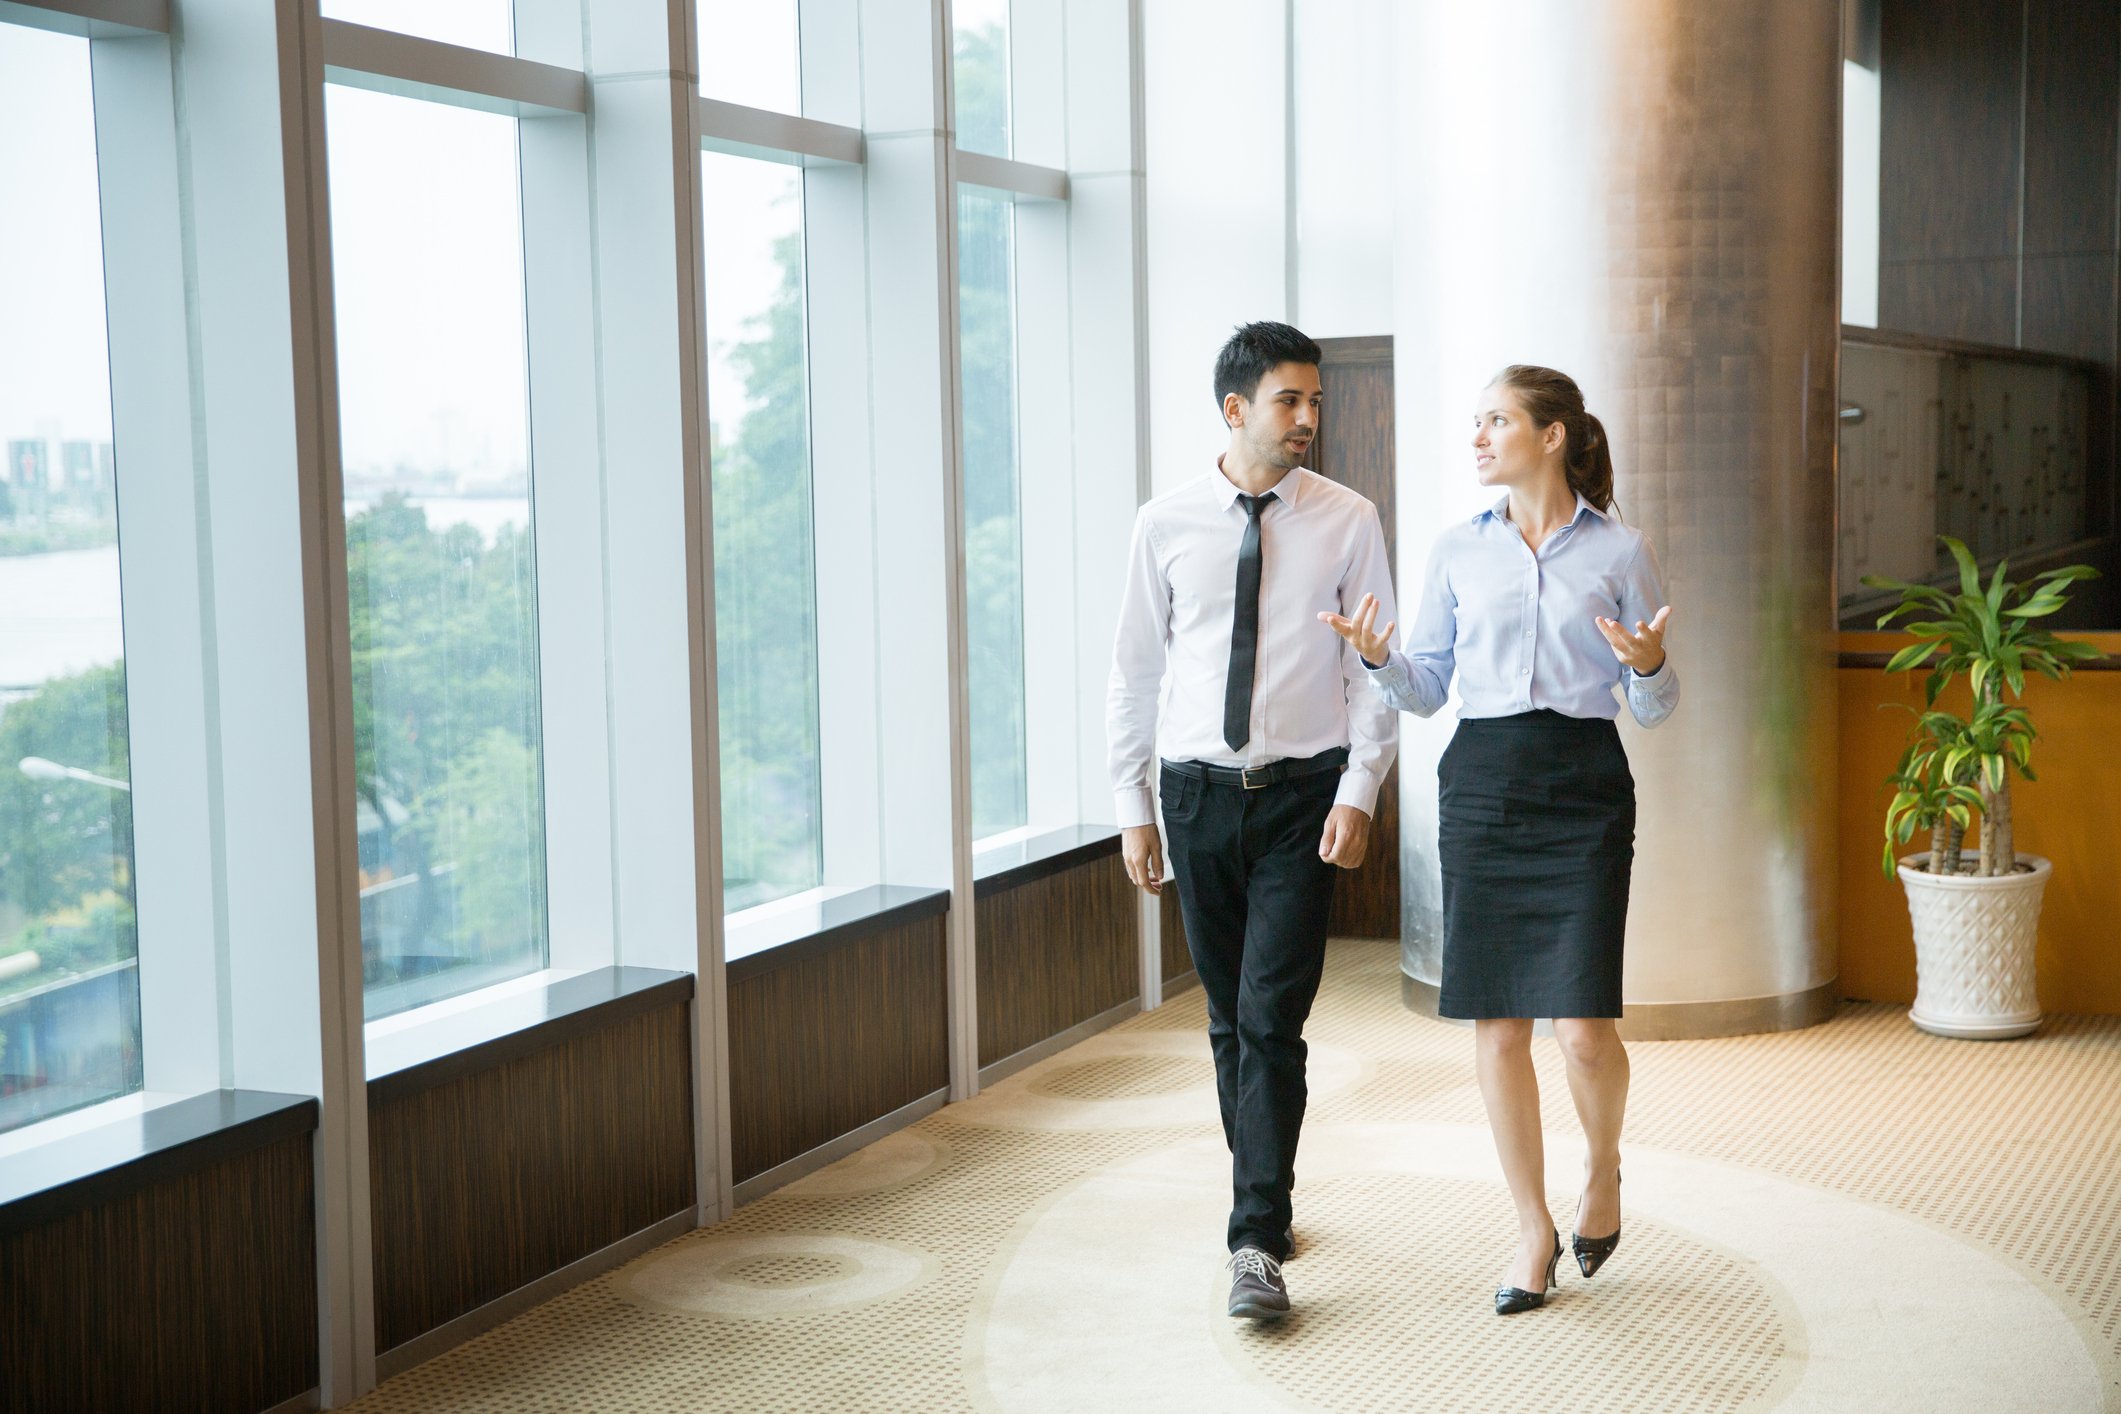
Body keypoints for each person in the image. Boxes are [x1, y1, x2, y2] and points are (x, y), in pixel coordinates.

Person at [1322, 364, 1678, 1316]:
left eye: (1496, 421)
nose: (1477, 438)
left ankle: (1601, 1169)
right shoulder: (1455, 550)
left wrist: (1648, 668)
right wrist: (1379, 659)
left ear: (1551, 435)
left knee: (1585, 1033)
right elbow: (1428, 688)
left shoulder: (1621, 550)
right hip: (1482, 785)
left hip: (1582, 786)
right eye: (1475, 422)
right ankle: (1530, 1228)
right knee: (1500, 1025)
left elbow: (1651, 705)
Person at [1108, 321, 1398, 1321]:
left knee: (1272, 1019)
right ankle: (1261, 1195)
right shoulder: (1165, 524)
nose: (1308, 416)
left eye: (1316, 400)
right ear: (1235, 409)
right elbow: (1134, 672)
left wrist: (1360, 790)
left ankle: (1255, 1238)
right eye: (1289, 400)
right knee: (1230, 1019)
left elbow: (1373, 667)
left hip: (1302, 797)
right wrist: (1132, 806)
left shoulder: (1348, 519)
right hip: (1192, 796)